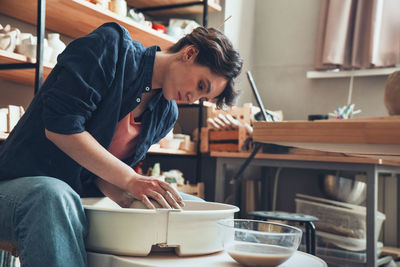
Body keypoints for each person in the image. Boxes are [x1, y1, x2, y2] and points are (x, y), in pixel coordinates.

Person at [0, 22, 242, 266]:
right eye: (201, 85)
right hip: (18, 188)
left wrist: (136, 198)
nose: (193, 98)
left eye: (203, 97)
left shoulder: (165, 114)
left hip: (80, 198)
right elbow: (60, 128)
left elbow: (99, 175)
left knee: (195, 208)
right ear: (189, 53)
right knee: (52, 196)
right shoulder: (112, 47)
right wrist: (130, 180)